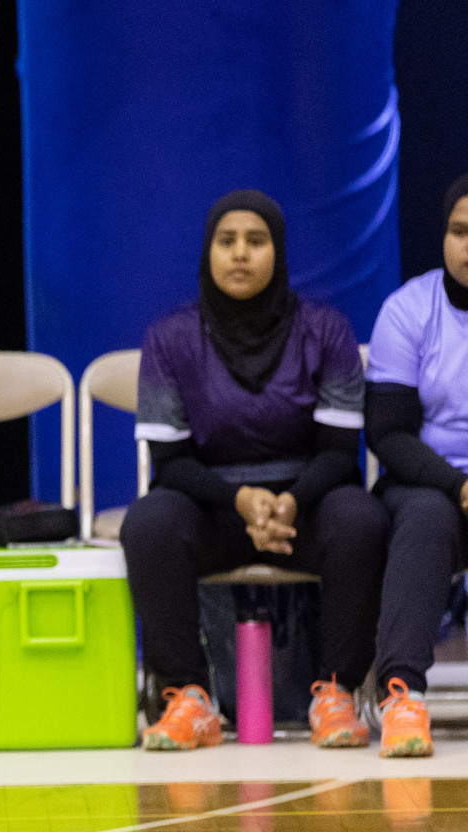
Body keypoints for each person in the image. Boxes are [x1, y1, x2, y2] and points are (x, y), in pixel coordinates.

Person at [122, 189, 387, 751]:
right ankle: (188, 698)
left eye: (256, 241)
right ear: (208, 253)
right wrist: (240, 500)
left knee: (362, 516)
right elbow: (169, 464)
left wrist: (287, 500)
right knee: (149, 522)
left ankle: (336, 695)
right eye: (226, 241)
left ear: (279, 251)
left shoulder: (327, 329)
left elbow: (341, 454)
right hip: (214, 509)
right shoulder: (169, 339)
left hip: (305, 506)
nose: (240, 254)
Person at [359, 174, 468, 758]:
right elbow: (388, 432)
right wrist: (458, 483)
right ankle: (403, 694)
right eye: (459, 231)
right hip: (428, 482)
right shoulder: (408, 309)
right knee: (425, 516)